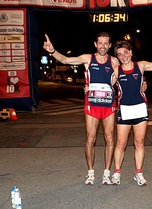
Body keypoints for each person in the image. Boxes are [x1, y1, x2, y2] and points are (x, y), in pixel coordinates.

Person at [43, 32, 119, 186]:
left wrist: (141, 85)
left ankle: (106, 173)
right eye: (100, 43)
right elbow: (65, 59)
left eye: (106, 43)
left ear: (109, 45)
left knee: (110, 138)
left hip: (109, 105)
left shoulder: (115, 61)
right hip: (92, 104)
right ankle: (90, 173)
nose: (103, 46)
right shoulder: (87, 58)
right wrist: (52, 51)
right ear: (95, 44)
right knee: (90, 139)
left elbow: (125, 77)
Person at [110, 37, 152, 186]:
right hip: (124, 110)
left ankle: (138, 173)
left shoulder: (140, 66)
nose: (123, 56)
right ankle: (116, 173)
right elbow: (106, 85)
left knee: (139, 142)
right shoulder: (116, 70)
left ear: (131, 52)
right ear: (117, 57)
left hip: (140, 108)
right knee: (121, 144)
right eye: (120, 54)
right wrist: (90, 88)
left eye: (125, 52)